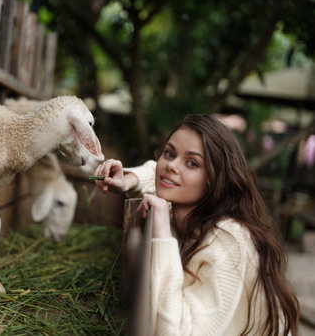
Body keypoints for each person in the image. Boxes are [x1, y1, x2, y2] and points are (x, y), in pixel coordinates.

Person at [94, 114, 299, 335]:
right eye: (170, 153)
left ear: (215, 179)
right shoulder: (196, 213)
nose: (172, 165)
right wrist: (129, 180)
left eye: (192, 163)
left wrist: (162, 235)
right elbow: (158, 171)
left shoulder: (228, 241)